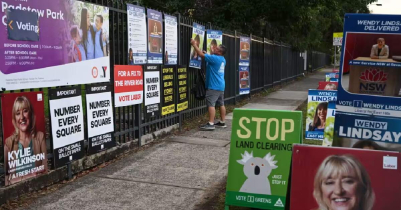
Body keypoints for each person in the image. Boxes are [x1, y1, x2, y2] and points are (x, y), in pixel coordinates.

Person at [5, 96, 48, 185]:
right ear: (14, 118)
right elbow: (6, 179)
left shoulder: (40, 137)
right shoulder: (9, 143)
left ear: (31, 114)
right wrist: (28, 176)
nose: (22, 117)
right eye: (17, 113)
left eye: (25, 111)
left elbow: (45, 169)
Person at [190, 38, 227, 130]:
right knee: (221, 104)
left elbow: (201, 55)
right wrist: (208, 54)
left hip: (213, 86)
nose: (214, 48)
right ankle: (222, 122)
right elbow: (209, 57)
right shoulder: (222, 59)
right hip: (220, 85)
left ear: (219, 52)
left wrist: (194, 45)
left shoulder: (215, 58)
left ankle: (211, 124)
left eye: (217, 49)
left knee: (211, 104)